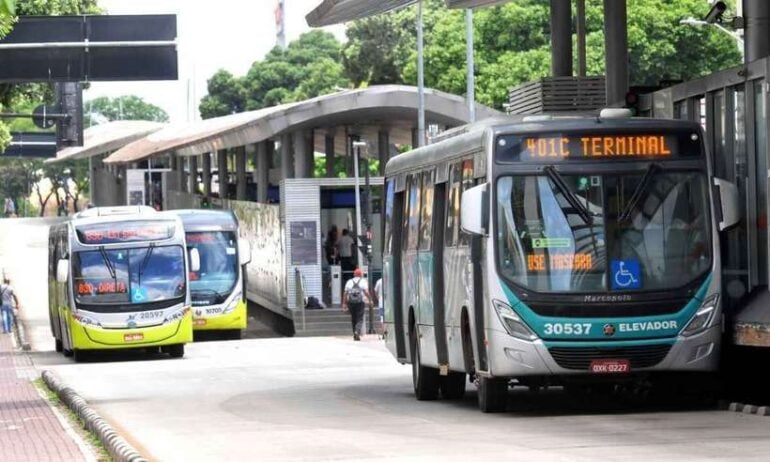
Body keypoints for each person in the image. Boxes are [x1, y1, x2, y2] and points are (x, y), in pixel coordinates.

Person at [342, 268, 370, 341]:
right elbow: (366, 292)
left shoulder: (349, 282)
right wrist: (370, 299)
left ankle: (354, 333)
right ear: (361, 275)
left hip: (351, 302)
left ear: (354, 274)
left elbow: (345, 293)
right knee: (360, 318)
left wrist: (344, 303)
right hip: (360, 302)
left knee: (353, 318)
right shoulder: (363, 281)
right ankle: (357, 331)